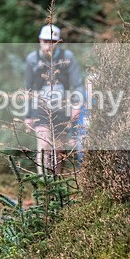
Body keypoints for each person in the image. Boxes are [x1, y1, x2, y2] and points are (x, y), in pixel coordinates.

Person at [23, 23, 83, 175]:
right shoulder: (32, 59)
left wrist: (77, 104)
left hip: (62, 109)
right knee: (44, 146)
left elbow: (78, 84)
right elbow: (28, 89)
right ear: (40, 40)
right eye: (45, 41)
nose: (48, 45)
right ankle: (44, 183)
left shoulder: (67, 57)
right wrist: (28, 115)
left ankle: (56, 185)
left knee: (58, 149)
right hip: (40, 108)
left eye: (52, 42)